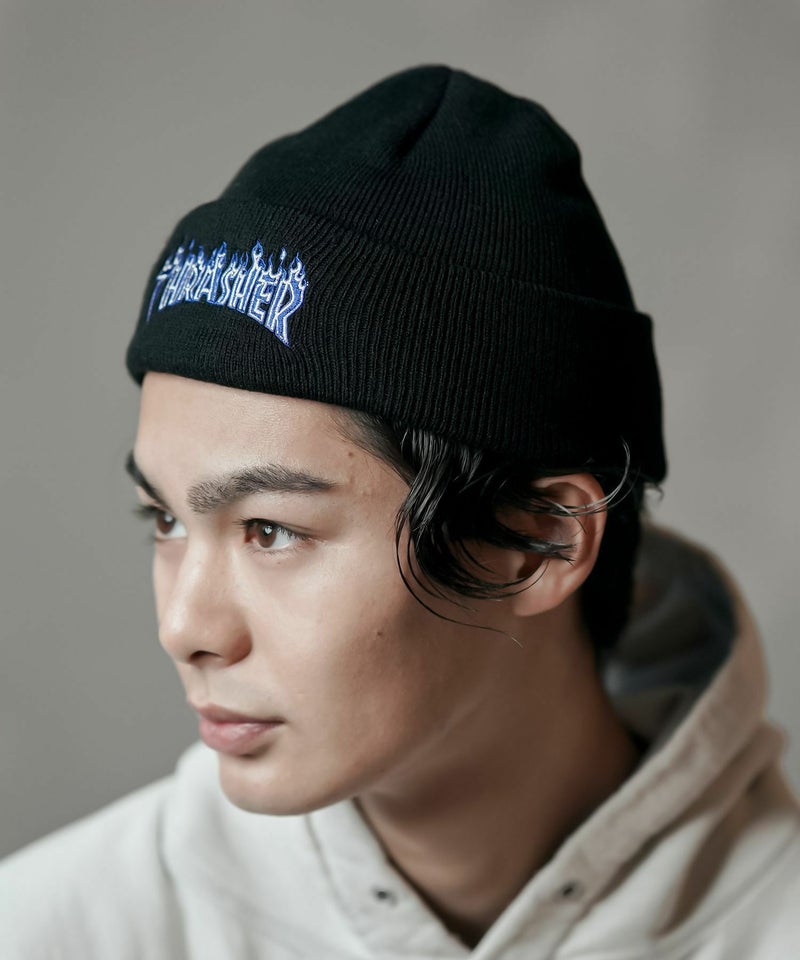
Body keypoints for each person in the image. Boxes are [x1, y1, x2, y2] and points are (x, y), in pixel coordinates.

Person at [2, 65, 798, 959]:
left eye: (271, 530)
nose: (184, 629)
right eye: (167, 520)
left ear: (541, 539)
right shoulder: (53, 931)